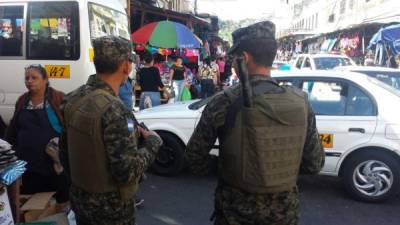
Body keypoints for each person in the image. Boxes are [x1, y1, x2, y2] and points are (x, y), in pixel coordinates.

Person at [186, 21, 325, 225]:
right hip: (284, 216)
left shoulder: (223, 102)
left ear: (245, 58)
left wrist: (227, 166)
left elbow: (193, 160)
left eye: (234, 57)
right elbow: (314, 164)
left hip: (234, 216)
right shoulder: (300, 102)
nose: (232, 62)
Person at [60, 36, 162, 225]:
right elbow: (127, 172)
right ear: (126, 66)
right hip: (111, 211)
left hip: (81, 201)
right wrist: (153, 143)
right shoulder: (116, 110)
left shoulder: (72, 99)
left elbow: (64, 153)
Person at [6, 64, 69, 209]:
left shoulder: (58, 98)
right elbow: (13, 129)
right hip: (27, 166)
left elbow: (69, 128)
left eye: (34, 77)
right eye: (27, 78)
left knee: (58, 205)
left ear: (45, 79)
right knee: (30, 206)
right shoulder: (22, 101)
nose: (29, 81)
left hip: (53, 166)